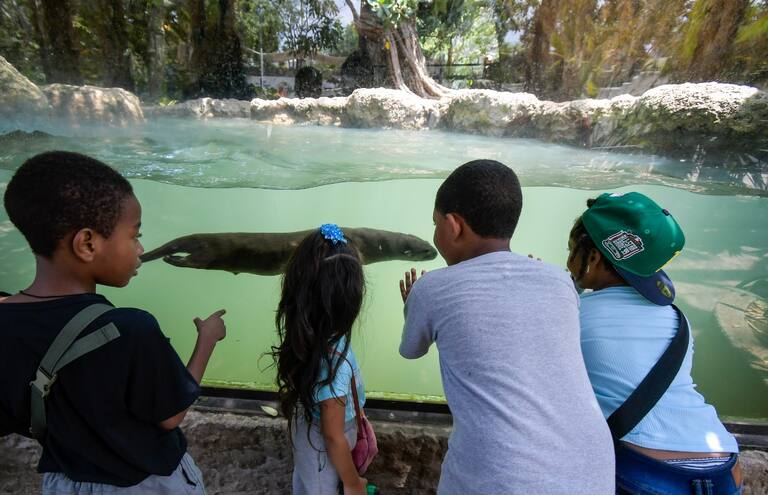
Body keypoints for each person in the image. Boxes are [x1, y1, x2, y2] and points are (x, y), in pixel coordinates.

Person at [0, 151, 227, 494]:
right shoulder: (130, 328)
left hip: (63, 483)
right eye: (134, 236)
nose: (140, 249)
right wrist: (207, 340)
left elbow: (2, 419)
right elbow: (171, 416)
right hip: (148, 485)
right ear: (87, 243)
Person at [398, 160, 615, 494]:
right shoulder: (560, 281)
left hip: (503, 478)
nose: (436, 232)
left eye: (435, 223)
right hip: (593, 472)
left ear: (454, 226)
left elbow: (411, 351)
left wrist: (413, 304)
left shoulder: (432, 288)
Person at [567, 192, 741, 494]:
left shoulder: (574, 314)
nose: (569, 260)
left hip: (646, 471)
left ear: (593, 257)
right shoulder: (677, 319)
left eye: (571, 250)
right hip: (724, 468)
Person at [271, 224, 369, 495]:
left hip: (309, 437)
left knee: (305, 483)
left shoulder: (309, 337)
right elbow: (333, 435)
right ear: (350, 298)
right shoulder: (335, 361)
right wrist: (352, 482)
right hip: (323, 453)